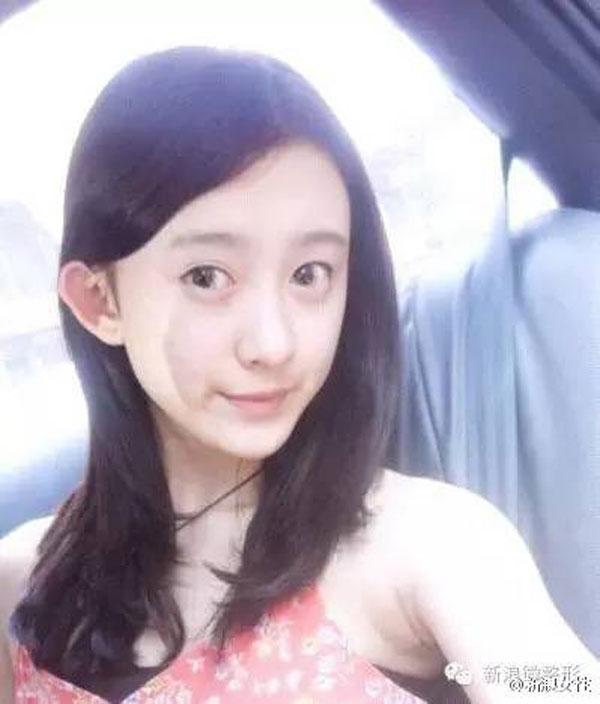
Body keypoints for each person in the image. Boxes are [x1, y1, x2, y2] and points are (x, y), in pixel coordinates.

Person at [0, 46, 597, 704]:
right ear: (99, 301)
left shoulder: (426, 546)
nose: (274, 342)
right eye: (208, 277)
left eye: (310, 275)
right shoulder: (20, 582)